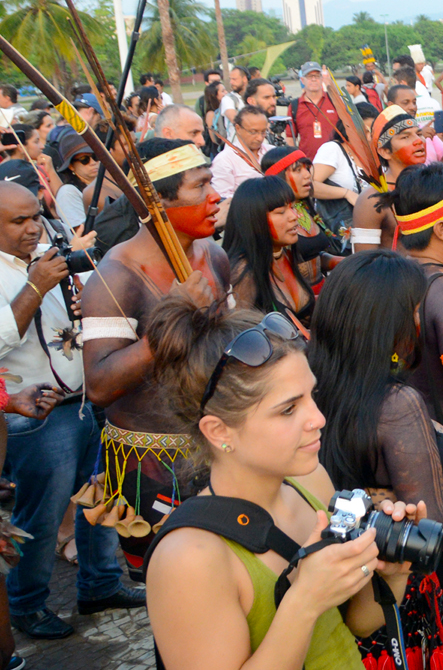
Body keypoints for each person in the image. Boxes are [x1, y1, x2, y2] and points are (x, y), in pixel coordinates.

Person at [140, 296, 422, 670]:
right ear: (220, 431)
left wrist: (392, 568)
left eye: (312, 396)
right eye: (289, 409)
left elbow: (356, 622)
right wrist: (304, 600)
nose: (318, 418)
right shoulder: (189, 559)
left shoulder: (311, 485)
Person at [311, 251, 443, 670]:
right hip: (387, 599)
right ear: (387, 323)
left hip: (330, 590)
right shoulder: (396, 403)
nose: (417, 322)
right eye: (412, 310)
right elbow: (434, 529)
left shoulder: (313, 381)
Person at [79, 137, 230, 575]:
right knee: (173, 583)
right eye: (199, 187)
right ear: (155, 200)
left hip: (219, 448)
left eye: (211, 182)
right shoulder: (116, 276)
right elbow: (101, 386)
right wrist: (172, 320)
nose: (214, 196)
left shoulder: (213, 256)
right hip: (152, 466)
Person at [0, 180, 124, 643]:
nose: (34, 228)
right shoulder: (20, 273)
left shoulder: (41, 260)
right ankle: (26, 605)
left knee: (100, 499)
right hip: (33, 417)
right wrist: (37, 286)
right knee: (42, 517)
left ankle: (101, 585)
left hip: (81, 400)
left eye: (36, 216)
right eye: (19, 221)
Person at [223, 177, 318, 330]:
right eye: (281, 212)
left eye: (293, 207)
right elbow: (243, 338)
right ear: (254, 220)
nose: (294, 216)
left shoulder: (284, 252)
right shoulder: (243, 272)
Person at [350, 106, 426, 252]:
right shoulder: (372, 199)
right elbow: (364, 265)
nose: (418, 141)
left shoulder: (430, 186)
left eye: (419, 134)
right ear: (385, 152)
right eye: (405, 137)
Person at [261, 145, 346, 271]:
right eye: (298, 170)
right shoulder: (271, 217)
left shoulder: (304, 207)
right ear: (279, 177)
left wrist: (349, 263)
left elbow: (314, 256)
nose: (307, 175)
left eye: (307, 169)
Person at [311, 101, 380, 238]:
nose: (368, 137)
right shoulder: (333, 150)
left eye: (371, 131)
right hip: (341, 230)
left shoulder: (376, 154)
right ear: (348, 127)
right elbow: (310, 185)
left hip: (371, 228)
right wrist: (346, 193)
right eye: (363, 130)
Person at [210, 104, 272, 215]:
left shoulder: (271, 151)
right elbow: (222, 199)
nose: (260, 138)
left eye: (263, 132)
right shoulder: (224, 160)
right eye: (253, 132)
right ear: (238, 128)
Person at [289, 62, 341, 159]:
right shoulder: (294, 106)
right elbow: (290, 137)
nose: (314, 79)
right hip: (308, 162)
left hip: (335, 160)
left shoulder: (334, 100)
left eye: (317, 76)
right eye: (309, 76)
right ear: (302, 80)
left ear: (322, 79)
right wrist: (296, 160)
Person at [52, 132, 97, 233]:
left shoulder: (105, 182)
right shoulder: (68, 192)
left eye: (95, 157)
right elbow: (80, 232)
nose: (93, 162)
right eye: (84, 160)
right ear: (71, 166)